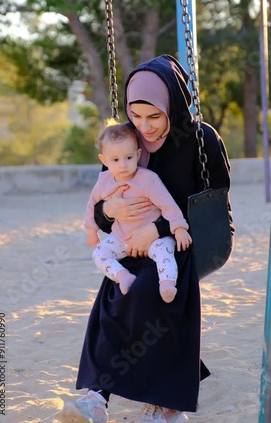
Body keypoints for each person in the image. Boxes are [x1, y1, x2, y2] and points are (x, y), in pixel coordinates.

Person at [59, 54, 234, 423]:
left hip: (188, 241)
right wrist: (110, 213)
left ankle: (164, 405)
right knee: (113, 297)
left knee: (148, 291)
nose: (145, 127)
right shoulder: (124, 141)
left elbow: (215, 209)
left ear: (173, 103)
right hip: (131, 243)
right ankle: (96, 397)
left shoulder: (201, 140)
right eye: (136, 116)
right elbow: (100, 204)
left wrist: (155, 230)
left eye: (155, 116)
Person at [84, 122, 192, 303]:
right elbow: (92, 204)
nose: (123, 165)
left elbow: (168, 205)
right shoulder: (104, 181)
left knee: (165, 251)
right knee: (99, 254)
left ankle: (167, 283)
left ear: (138, 155)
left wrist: (179, 228)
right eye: (115, 160)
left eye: (129, 157)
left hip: (153, 239)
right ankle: (122, 276)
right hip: (121, 237)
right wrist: (90, 230)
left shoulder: (148, 180)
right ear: (104, 160)